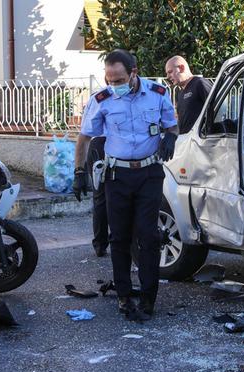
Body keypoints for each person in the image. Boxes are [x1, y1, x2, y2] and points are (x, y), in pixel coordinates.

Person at [72, 50, 178, 321]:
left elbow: (172, 125)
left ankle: (148, 298)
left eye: (119, 79)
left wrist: (170, 138)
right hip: (117, 175)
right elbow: (84, 138)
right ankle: (123, 296)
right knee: (118, 237)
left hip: (149, 173)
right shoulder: (102, 99)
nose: (114, 85)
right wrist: (79, 172)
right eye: (109, 79)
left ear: (134, 72)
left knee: (149, 236)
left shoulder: (158, 92)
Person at [165, 55, 213, 134]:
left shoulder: (200, 83)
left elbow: (217, 108)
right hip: (186, 141)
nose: (168, 77)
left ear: (181, 68)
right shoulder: (180, 93)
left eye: (170, 72)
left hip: (200, 141)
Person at [87, 135, 109, 257]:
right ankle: (117, 241)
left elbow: (84, 135)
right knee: (120, 196)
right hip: (115, 144)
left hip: (98, 144)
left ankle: (100, 244)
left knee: (100, 198)